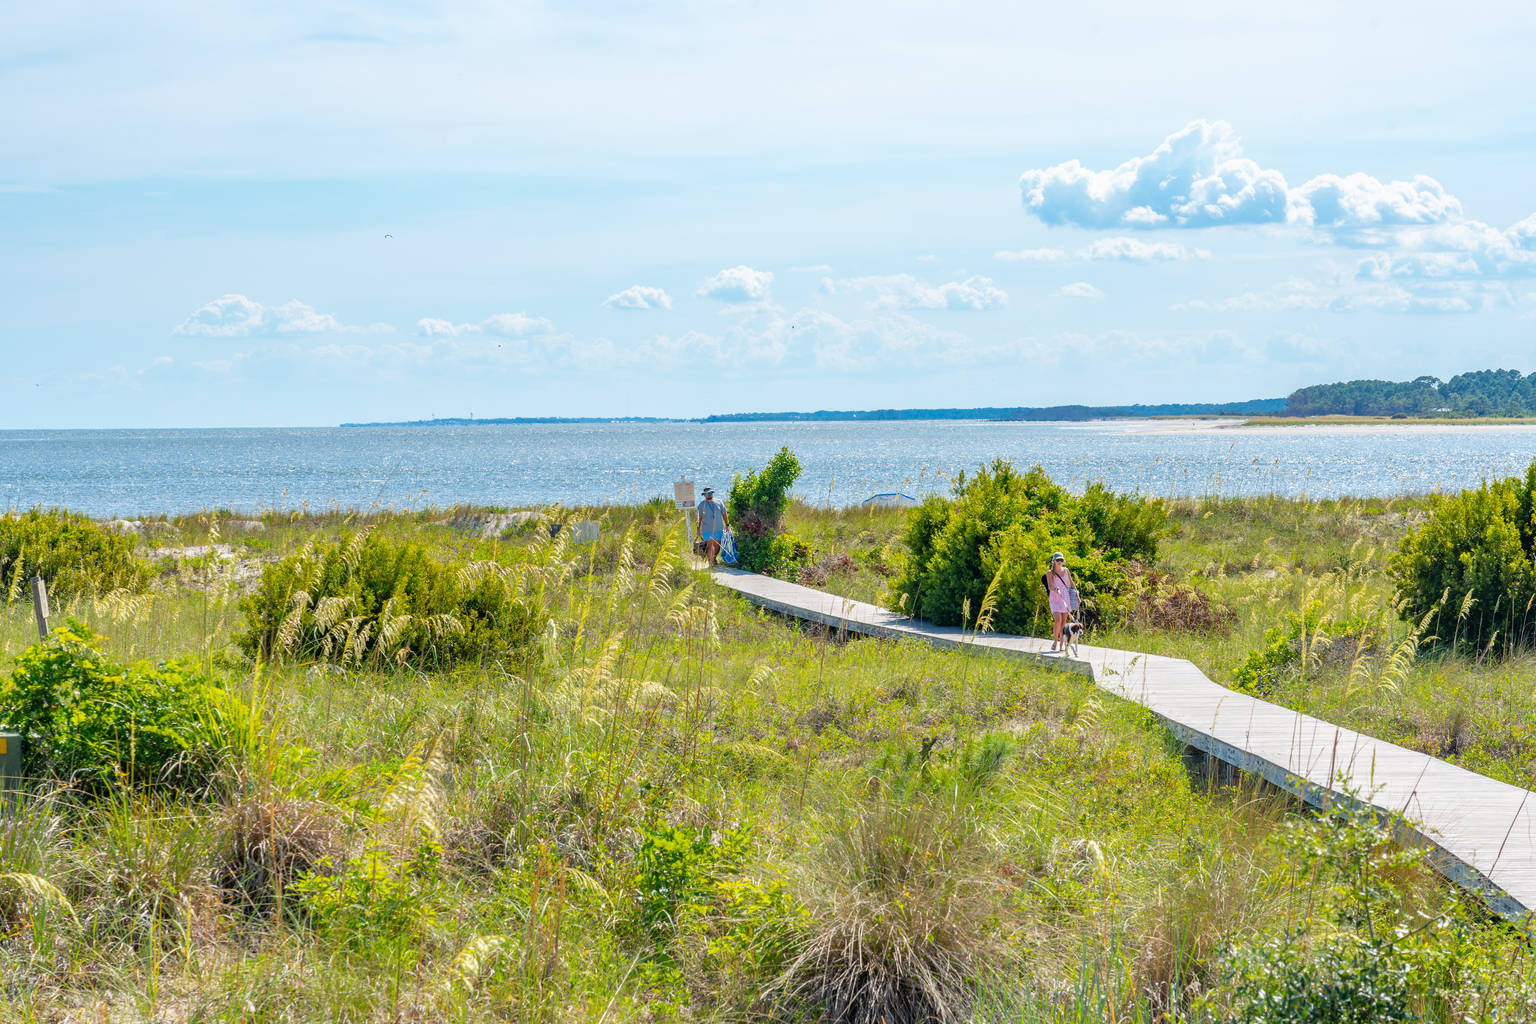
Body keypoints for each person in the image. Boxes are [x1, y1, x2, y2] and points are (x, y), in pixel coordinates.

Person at [1045, 552, 1075, 651]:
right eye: (1058, 560)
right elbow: (1049, 586)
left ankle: (1062, 645)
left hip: (1065, 598)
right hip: (1055, 598)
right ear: (1053, 561)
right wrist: (1055, 589)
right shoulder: (1050, 572)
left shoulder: (1066, 570)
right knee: (1057, 620)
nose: (1059, 562)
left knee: (1063, 623)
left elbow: (1071, 583)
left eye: (1061, 560)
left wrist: (1077, 594)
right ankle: (1055, 640)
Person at [696, 486, 730, 567]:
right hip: (706, 529)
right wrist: (698, 529)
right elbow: (699, 518)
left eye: (711, 493)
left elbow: (724, 514)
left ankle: (714, 558)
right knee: (710, 546)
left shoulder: (719, 502)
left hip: (718, 528)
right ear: (704, 495)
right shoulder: (701, 505)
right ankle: (710, 563)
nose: (709, 495)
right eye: (707, 493)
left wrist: (727, 524)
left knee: (717, 546)